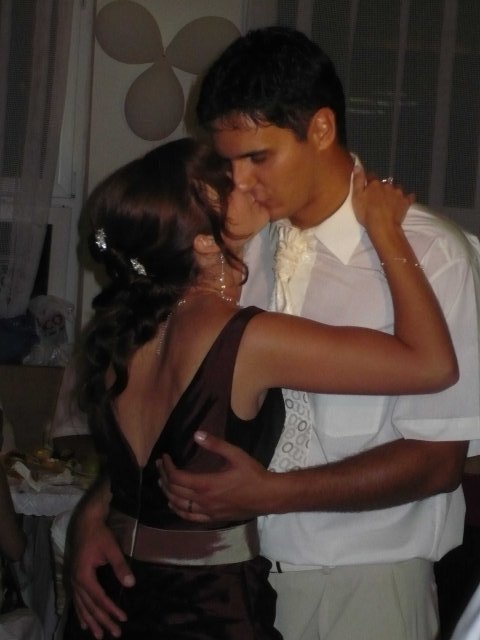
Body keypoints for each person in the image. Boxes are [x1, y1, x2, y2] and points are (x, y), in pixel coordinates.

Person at [63, 132, 457, 640]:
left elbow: (140, 471)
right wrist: (386, 232)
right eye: (229, 185)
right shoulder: (244, 338)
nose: (249, 183)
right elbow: (430, 365)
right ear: (205, 241)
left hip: (114, 601)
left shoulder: (128, 333)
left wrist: (91, 518)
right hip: (200, 610)